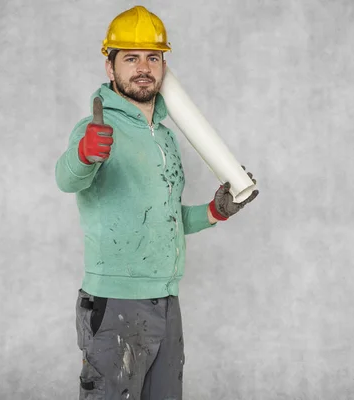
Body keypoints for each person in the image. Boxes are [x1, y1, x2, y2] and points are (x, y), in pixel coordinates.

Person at [54, 5, 259, 399]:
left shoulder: (164, 137)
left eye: (153, 57)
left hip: (166, 301)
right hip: (115, 303)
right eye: (130, 58)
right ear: (110, 68)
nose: (143, 67)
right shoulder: (96, 127)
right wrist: (83, 154)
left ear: (164, 67)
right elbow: (66, 179)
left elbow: (166, 218)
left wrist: (215, 212)